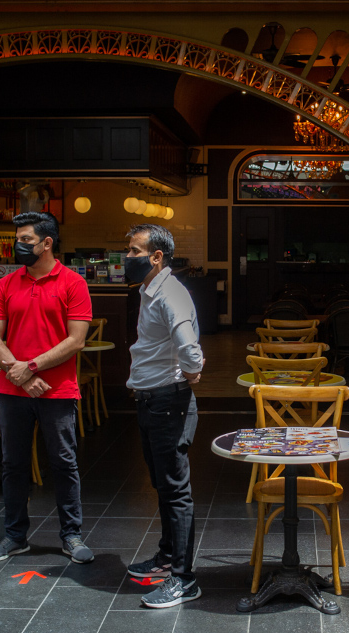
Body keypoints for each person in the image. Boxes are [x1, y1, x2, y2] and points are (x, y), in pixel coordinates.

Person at [0, 211, 94, 565]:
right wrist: (24, 376)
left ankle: (71, 536)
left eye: (27, 240)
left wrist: (30, 367)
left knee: (63, 463)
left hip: (58, 390)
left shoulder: (73, 283)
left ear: (47, 243)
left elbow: (76, 341)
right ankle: (14, 537)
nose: (19, 245)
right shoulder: (6, 283)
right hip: (13, 390)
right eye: (18, 239)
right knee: (13, 464)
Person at [123, 224, 204, 609]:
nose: (128, 257)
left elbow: (189, 347)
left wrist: (192, 371)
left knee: (175, 491)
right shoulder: (148, 289)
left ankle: (185, 580)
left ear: (157, 257)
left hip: (169, 403)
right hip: (150, 399)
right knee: (162, 485)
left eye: (135, 251)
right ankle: (168, 556)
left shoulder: (170, 293)